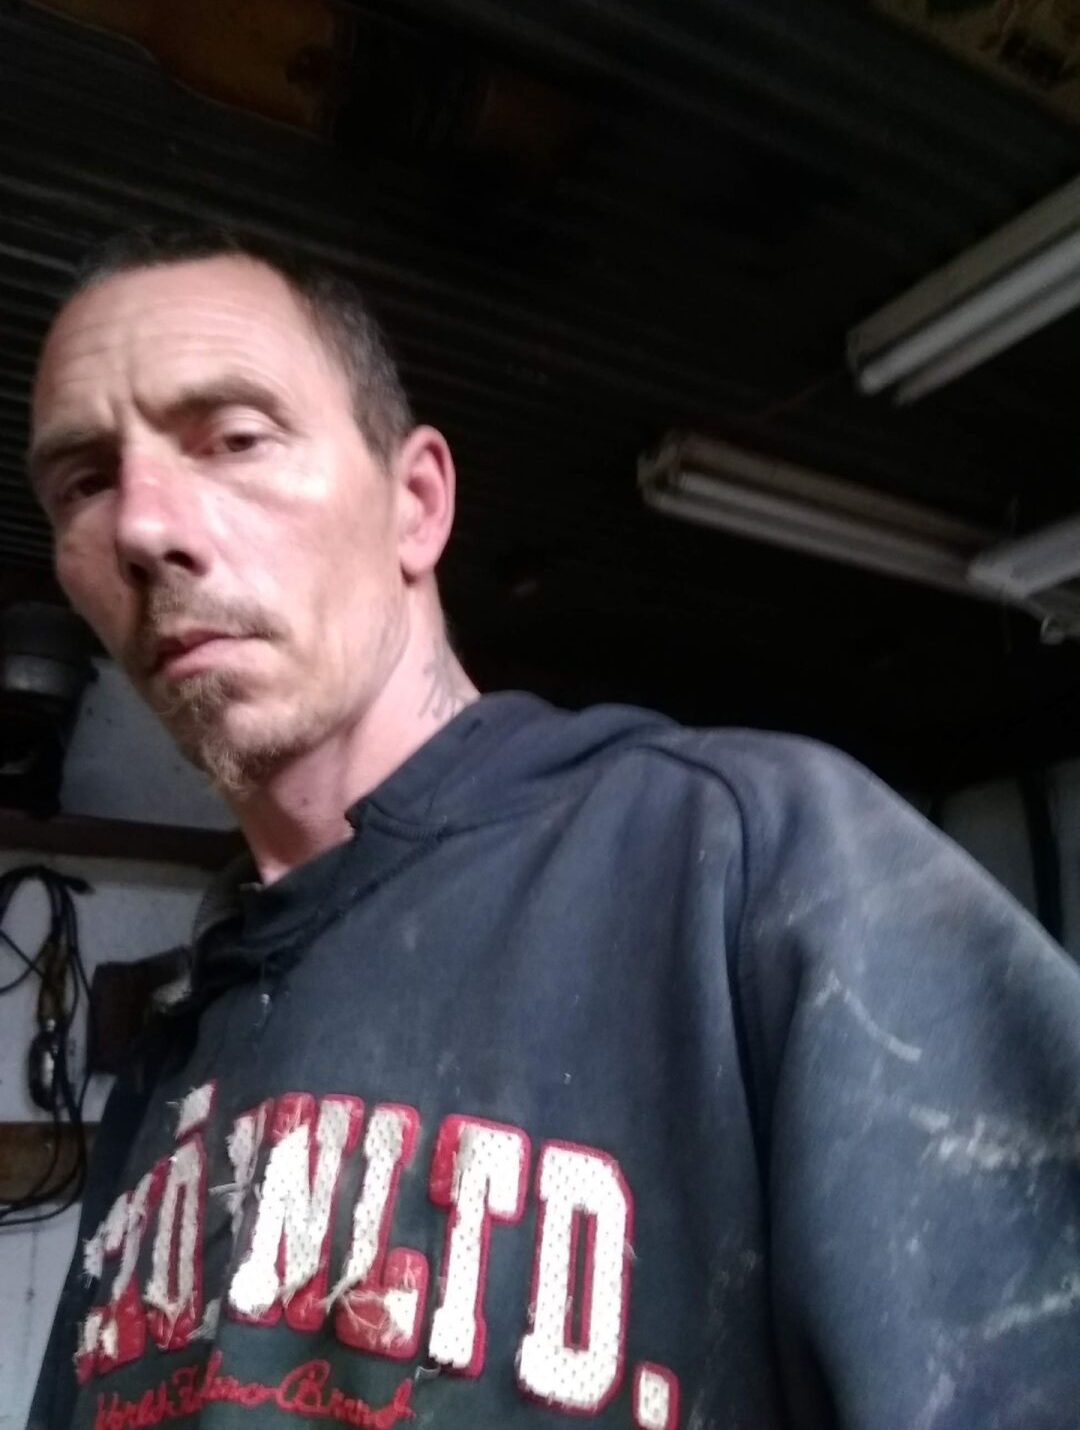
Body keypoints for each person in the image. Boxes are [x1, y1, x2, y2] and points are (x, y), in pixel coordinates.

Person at [26, 225, 1080, 1430]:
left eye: (234, 437)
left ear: (416, 506)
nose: (142, 525)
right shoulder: (173, 1053)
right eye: (84, 482)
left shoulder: (750, 860)